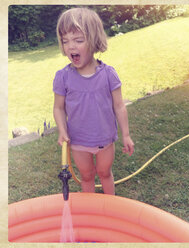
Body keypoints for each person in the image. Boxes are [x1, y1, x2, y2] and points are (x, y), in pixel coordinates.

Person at [53, 7, 134, 195]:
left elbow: (119, 106)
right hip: (78, 141)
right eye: (66, 41)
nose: (71, 46)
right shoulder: (63, 77)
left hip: (105, 140)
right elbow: (58, 108)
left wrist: (126, 135)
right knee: (87, 176)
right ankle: (90, 214)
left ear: (94, 40)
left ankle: (110, 209)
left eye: (78, 40)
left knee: (105, 173)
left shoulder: (108, 74)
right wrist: (62, 131)